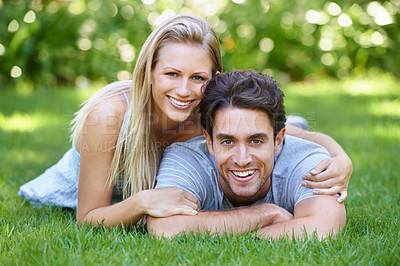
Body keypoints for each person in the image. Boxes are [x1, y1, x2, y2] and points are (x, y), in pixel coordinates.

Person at [18, 14, 351, 228]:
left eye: (197, 77)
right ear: (148, 72)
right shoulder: (109, 117)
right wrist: (144, 201)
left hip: (172, 180)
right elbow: (89, 219)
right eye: (171, 74)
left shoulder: (203, 111)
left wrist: (341, 159)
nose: (183, 90)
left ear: (214, 77)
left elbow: (286, 134)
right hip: (74, 190)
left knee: (268, 126)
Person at [147, 70, 346, 239]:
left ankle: (296, 124)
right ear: (209, 142)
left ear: (278, 141)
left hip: (293, 142)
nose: (242, 159)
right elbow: (164, 228)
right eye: (227, 142)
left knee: (297, 129)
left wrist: (226, 228)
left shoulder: (307, 159)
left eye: (256, 141)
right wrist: (266, 214)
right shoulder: (185, 157)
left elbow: (324, 226)